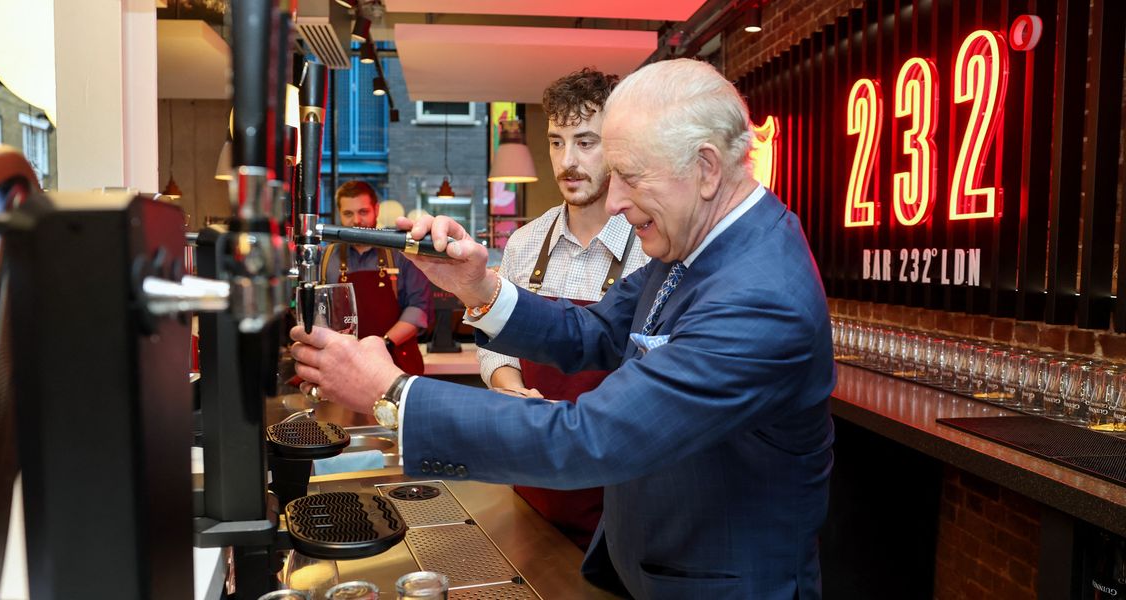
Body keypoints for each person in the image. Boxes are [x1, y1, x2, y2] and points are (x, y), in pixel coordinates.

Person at [291, 59, 835, 599]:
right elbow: (593, 331)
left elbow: (594, 436)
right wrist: (476, 286)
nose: (617, 200)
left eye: (630, 175)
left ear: (707, 168)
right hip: (644, 564)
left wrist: (391, 394)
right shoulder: (694, 245)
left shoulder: (761, 295)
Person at [479, 67, 649, 550]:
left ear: (617, 144)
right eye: (556, 142)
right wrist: (512, 391)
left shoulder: (649, 244)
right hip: (532, 478)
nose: (567, 161)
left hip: (616, 488)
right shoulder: (525, 242)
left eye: (586, 142)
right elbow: (497, 346)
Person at [320, 180, 432, 375]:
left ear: (376, 210)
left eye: (363, 212)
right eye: (348, 213)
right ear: (339, 213)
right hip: (343, 365)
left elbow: (419, 308)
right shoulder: (327, 258)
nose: (356, 220)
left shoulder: (401, 253)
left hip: (396, 362)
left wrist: (382, 344)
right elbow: (320, 312)